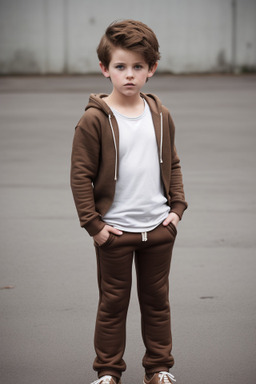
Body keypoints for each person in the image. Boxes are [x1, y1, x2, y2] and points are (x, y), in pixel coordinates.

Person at [71, 19, 187, 384]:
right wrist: (95, 226)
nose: (130, 75)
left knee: (157, 303)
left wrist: (176, 211)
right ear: (105, 68)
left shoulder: (160, 116)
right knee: (112, 305)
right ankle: (108, 372)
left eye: (138, 66)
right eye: (120, 67)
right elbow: (80, 176)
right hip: (115, 232)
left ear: (152, 68)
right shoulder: (93, 120)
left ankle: (159, 369)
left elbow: (174, 163)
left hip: (157, 229)